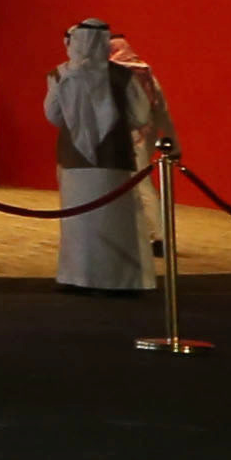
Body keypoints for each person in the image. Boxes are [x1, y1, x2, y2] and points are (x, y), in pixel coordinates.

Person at [43, 19, 140, 293]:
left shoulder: (59, 75)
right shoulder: (124, 76)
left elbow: (52, 115)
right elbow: (140, 115)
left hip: (74, 161)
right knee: (115, 221)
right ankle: (116, 280)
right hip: (115, 158)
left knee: (78, 224)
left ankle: (78, 277)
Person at [112, 31, 180, 277]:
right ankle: (150, 232)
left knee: (140, 185)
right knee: (139, 183)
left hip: (128, 135)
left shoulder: (117, 72)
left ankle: (160, 235)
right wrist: (173, 140)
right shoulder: (145, 71)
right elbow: (162, 107)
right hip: (147, 134)